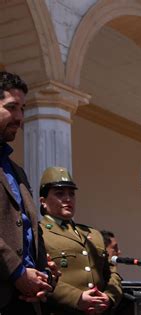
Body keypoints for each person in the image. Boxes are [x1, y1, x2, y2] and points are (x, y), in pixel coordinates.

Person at [0, 71, 54, 314]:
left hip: (27, 303)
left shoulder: (16, 171)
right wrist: (18, 272)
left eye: (22, 109)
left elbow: (32, 231)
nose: (20, 117)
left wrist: (44, 277)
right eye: (12, 107)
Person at [38, 167, 122, 314]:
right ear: (43, 201)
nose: (68, 198)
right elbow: (38, 277)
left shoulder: (93, 234)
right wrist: (77, 298)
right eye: (59, 193)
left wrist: (109, 297)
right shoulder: (38, 233)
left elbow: (112, 273)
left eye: (72, 193)